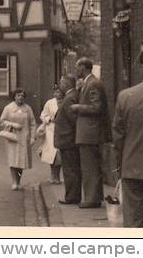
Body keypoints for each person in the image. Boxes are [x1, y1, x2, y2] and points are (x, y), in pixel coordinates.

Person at [112, 38, 143, 227]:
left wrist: (119, 165)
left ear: (142, 67)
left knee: (132, 223)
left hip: (132, 167)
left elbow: (118, 137)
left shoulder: (126, 96)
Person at [71, 57, 111, 208]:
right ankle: (95, 196)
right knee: (91, 165)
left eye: (77, 67)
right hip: (89, 132)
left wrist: (78, 107)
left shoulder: (93, 83)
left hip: (90, 132)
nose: (76, 70)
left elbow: (96, 107)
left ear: (83, 67)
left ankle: (91, 199)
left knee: (89, 166)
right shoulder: (89, 82)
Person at [0, 88, 38, 190]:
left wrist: (33, 137)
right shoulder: (8, 108)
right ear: (14, 96)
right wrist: (12, 124)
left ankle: (18, 181)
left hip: (24, 137)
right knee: (13, 159)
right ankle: (14, 181)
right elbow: (2, 121)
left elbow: (33, 124)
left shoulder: (28, 109)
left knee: (21, 161)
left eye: (22, 96)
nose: (20, 98)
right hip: (12, 137)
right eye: (18, 95)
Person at [54, 74, 81, 205]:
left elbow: (73, 120)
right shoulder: (71, 96)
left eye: (61, 82)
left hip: (68, 140)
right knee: (71, 169)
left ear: (67, 84)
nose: (60, 85)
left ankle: (71, 197)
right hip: (68, 139)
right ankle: (72, 195)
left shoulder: (70, 98)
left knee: (70, 170)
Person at [38, 84, 63, 184]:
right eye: (56, 92)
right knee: (52, 153)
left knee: (59, 153)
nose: (57, 94)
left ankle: (57, 175)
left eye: (59, 92)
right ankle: (53, 174)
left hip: (61, 129)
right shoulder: (49, 103)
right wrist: (49, 119)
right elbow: (43, 115)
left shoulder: (65, 102)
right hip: (50, 129)